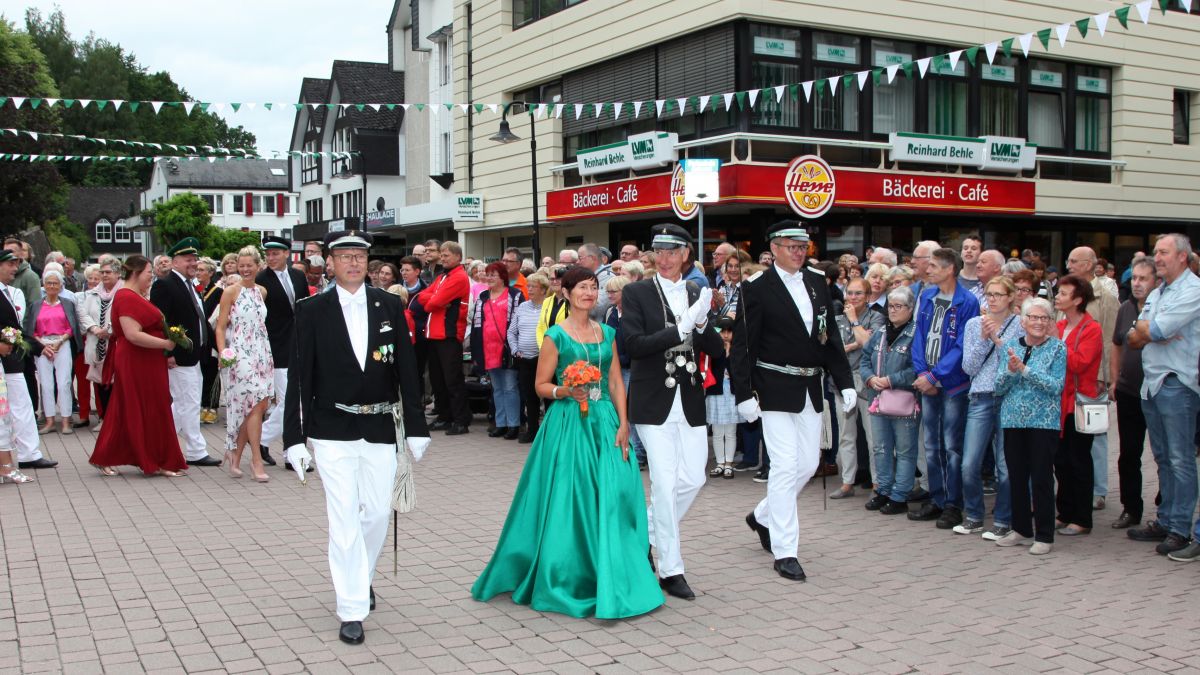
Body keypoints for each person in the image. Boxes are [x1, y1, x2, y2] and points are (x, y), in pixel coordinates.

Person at [472, 265, 660, 619]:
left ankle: (613, 567)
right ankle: (571, 573)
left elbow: (617, 381)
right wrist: (566, 391)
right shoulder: (556, 336)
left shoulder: (607, 332)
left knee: (615, 492)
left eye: (593, 287)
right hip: (568, 423)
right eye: (582, 288)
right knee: (571, 496)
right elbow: (540, 384)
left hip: (604, 421)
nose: (589, 293)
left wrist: (624, 422)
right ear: (567, 293)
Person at [283, 229, 431, 645]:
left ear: (368, 263)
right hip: (331, 429)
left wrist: (416, 427)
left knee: (378, 514)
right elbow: (299, 377)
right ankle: (351, 607)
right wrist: (293, 439)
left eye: (359, 257)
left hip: (379, 426)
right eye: (344, 256)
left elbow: (406, 370)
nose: (352, 263)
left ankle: (360, 577)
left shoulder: (389, 304)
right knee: (343, 516)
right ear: (330, 262)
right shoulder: (311, 309)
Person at [731, 221, 854, 582]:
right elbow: (742, 345)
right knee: (784, 466)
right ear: (774, 248)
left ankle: (763, 516)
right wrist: (743, 394)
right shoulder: (756, 287)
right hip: (773, 386)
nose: (800, 252)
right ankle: (786, 551)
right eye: (791, 246)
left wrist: (844, 381)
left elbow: (827, 337)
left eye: (803, 246)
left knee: (807, 464)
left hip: (810, 388)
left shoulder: (816, 282)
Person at [622, 223, 722, 599]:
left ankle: (641, 537)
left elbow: (716, 347)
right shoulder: (637, 292)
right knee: (664, 484)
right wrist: (681, 326)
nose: (663, 259)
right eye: (657, 251)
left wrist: (700, 321)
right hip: (653, 401)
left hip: (690, 399)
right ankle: (670, 569)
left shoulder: (696, 289)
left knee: (693, 479)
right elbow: (633, 344)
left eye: (671, 251)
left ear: (685, 255)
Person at [1126, 234, 1200, 559]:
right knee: (1162, 458)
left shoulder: (1193, 290)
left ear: (1182, 257)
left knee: (1181, 459)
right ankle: (1166, 519)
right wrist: (1153, 332)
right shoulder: (1158, 291)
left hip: (1176, 384)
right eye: (1155, 251)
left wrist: (1152, 331)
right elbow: (1133, 337)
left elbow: (1152, 331)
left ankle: (1181, 529)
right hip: (1151, 384)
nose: (1157, 257)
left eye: (1163, 252)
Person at [91, 255, 188, 477]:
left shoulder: (134, 295)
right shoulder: (125, 296)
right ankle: (151, 458)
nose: (150, 278)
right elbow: (132, 335)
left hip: (148, 359)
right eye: (148, 274)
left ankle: (155, 457)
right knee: (135, 406)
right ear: (135, 273)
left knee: (147, 406)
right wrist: (166, 343)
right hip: (136, 359)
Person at [909, 248, 980, 528]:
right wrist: (922, 373)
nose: (929, 270)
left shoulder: (968, 302)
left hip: (953, 384)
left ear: (950, 269)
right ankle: (937, 498)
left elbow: (965, 345)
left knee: (952, 446)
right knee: (930, 444)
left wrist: (935, 376)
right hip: (928, 381)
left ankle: (953, 504)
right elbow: (919, 337)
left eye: (935, 266)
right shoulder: (926, 296)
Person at [993, 297, 1066, 555]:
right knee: (1016, 476)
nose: (1038, 322)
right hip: (1013, 420)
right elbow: (998, 387)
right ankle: (1022, 529)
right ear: (1023, 321)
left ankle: (1044, 535)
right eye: (1033, 317)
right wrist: (1011, 372)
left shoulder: (1058, 349)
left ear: (1050, 322)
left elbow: (1055, 386)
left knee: (1042, 477)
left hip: (1042, 422)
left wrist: (1024, 370)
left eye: (1043, 318)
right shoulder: (1010, 346)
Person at [958, 276, 1025, 539]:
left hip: (1009, 396)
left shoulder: (1020, 324)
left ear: (1010, 297)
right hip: (981, 396)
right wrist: (985, 339)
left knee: (1005, 464)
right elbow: (969, 367)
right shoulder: (975, 324)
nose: (993, 299)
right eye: (989, 294)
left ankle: (1003, 519)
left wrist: (998, 340)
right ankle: (974, 515)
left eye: (999, 294)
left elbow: (1016, 361)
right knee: (969, 462)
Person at [150, 238, 218, 467]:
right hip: (178, 356)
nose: (193, 263)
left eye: (195, 260)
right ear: (175, 261)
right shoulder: (165, 284)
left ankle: (159, 442)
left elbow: (200, 320)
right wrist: (167, 354)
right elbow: (161, 321)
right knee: (187, 402)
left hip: (194, 354)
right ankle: (194, 450)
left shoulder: (190, 285)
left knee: (185, 403)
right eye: (188, 260)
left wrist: (218, 347)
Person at [1065, 246, 1120, 511]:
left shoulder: (1106, 297)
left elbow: (1111, 339)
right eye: (1069, 260)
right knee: (1071, 434)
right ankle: (1072, 487)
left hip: (1092, 377)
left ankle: (1098, 489)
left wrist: (1105, 376)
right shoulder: (1065, 294)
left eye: (1075, 261)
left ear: (1090, 264)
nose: (1070, 264)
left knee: (1094, 431)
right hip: (1066, 378)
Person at [216, 246, 274, 483]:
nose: (245, 269)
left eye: (250, 265)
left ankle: (235, 455)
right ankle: (257, 460)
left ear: (258, 266)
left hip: (262, 351)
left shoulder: (262, 291)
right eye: (242, 265)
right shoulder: (230, 291)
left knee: (256, 407)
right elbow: (220, 326)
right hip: (239, 353)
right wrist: (223, 353)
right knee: (254, 403)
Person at [859, 286, 919, 514]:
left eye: (898, 306)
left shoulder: (915, 334)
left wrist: (891, 380)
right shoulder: (880, 333)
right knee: (880, 447)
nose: (892, 311)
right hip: (877, 399)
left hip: (903, 401)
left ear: (910, 309)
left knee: (904, 449)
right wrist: (870, 378)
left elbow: (918, 368)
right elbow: (865, 359)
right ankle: (883, 490)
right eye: (890, 306)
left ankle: (899, 495)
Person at [256, 235, 312, 468]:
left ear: (287, 254)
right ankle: (292, 454)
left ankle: (261, 438)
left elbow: (305, 307)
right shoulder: (262, 279)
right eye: (268, 254)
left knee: (294, 402)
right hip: (276, 347)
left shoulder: (298, 276)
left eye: (275, 253)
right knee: (291, 402)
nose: (271, 258)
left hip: (300, 343)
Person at [1053, 274, 1102, 537]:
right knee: (1060, 460)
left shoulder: (1091, 328)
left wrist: (1056, 345)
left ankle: (1082, 518)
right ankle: (1065, 511)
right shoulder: (1060, 326)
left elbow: (1080, 363)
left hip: (1080, 403)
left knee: (1078, 459)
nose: (1058, 296)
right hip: (1060, 402)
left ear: (1078, 299)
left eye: (1063, 293)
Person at [830, 277, 885, 499]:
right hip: (841, 381)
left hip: (868, 382)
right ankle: (847, 482)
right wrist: (854, 343)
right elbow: (832, 348)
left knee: (873, 437)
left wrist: (854, 322)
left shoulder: (877, 317)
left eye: (858, 294)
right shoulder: (836, 319)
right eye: (849, 293)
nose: (852, 297)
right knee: (846, 435)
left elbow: (870, 344)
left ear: (868, 296)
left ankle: (878, 483)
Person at [1109, 257, 1153, 530]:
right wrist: (1115, 380)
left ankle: (1164, 506)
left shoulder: (1162, 306)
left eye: (1143, 278)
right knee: (1128, 453)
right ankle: (1131, 508)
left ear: (1156, 281)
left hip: (1158, 392)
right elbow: (1116, 344)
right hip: (1128, 391)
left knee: (1162, 454)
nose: (1136, 283)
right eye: (1134, 278)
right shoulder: (1125, 308)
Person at [417, 241, 472, 435]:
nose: (442, 258)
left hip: (448, 334)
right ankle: (445, 416)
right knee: (438, 379)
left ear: (458, 257)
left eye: (446, 255)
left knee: (452, 379)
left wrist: (435, 301)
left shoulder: (459, 277)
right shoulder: (442, 277)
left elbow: (433, 303)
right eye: (442, 255)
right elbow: (423, 297)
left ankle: (460, 420)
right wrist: (435, 301)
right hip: (435, 333)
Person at [25, 269, 81, 435]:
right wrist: (43, 345)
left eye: (55, 283)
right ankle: (49, 420)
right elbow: (31, 328)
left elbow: (72, 326)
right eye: (48, 283)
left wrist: (60, 341)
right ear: (44, 285)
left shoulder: (67, 303)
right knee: (46, 384)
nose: (51, 286)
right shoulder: (36, 305)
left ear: (60, 285)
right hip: (42, 345)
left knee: (64, 382)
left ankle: (65, 420)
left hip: (61, 343)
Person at [471, 262, 523, 440]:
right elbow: (476, 325)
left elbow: (518, 323)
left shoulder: (515, 295)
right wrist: (476, 351)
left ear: (503, 276)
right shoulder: (482, 296)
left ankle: (514, 424)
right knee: (497, 388)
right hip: (488, 349)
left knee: (510, 387)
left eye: (494, 274)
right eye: (488, 274)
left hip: (507, 348)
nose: (490, 278)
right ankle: (501, 424)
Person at [602, 275, 645, 468]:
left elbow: (635, 343)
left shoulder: (635, 312)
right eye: (608, 291)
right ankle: (627, 448)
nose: (609, 295)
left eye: (614, 291)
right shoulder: (610, 312)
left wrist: (621, 360)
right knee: (619, 411)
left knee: (630, 412)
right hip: (614, 367)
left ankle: (639, 453)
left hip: (630, 368)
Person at [78, 255, 120, 432]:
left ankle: (118, 420)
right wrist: (95, 328)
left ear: (118, 273)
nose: (104, 275)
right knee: (101, 382)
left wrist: (108, 329)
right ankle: (104, 418)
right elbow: (83, 314)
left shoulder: (124, 292)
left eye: (108, 272)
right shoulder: (92, 293)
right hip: (97, 343)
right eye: (102, 272)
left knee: (117, 382)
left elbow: (122, 314)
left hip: (115, 344)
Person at [509, 273, 549, 443]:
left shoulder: (548, 307)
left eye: (533, 286)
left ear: (543, 290)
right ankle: (532, 430)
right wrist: (515, 349)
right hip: (524, 359)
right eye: (528, 286)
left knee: (548, 397)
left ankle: (549, 432)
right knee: (529, 396)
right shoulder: (522, 307)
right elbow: (511, 331)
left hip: (544, 359)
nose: (529, 289)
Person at [706, 316, 738, 479]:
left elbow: (735, 371)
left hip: (731, 393)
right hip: (716, 393)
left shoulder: (737, 349)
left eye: (729, 332)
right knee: (717, 432)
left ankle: (729, 464)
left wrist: (728, 352)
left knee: (731, 431)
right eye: (722, 332)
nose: (725, 335)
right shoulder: (712, 349)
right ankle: (720, 463)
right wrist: (721, 351)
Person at [197, 258, 222, 425]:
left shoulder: (218, 291)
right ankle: (201, 404)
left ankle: (212, 405)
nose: (198, 272)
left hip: (212, 336)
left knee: (212, 372)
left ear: (211, 273)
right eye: (197, 270)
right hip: (200, 337)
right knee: (200, 371)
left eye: (202, 270)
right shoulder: (195, 289)